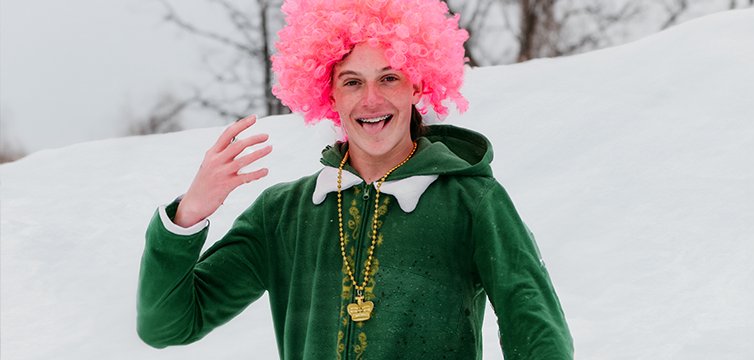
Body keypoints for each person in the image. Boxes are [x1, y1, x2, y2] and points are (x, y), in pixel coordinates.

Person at [137, 0, 573, 358]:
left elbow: (535, 328)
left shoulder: (472, 202)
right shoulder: (282, 214)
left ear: (418, 86)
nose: (371, 100)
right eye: (351, 82)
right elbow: (167, 324)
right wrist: (187, 216)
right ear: (328, 93)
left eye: (389, 77)